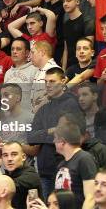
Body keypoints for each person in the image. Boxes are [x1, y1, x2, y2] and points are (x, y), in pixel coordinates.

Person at [28, 67, 80, 199]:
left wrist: (43, 134)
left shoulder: (72, 103)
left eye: (52, 81)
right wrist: (50, 130)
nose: (48, 85)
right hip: (45, 170)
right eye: (46, 82)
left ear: (63, 81)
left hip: (65, 168)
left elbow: (67, 134)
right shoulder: (44, 108)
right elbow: (31, 138)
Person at [53, 121, 97, 209]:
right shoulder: (61, 164)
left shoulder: (84, 159)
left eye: (55, 138)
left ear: (62, 141)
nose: (53, 142)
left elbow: (91, 196)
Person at [0, 142, 41, 209]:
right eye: (5, 155)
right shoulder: (6, 176)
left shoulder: (31, 175)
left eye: (14, 154)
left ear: (23, 157)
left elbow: (8, 185)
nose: (9, 159)